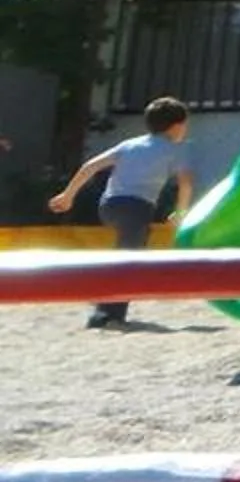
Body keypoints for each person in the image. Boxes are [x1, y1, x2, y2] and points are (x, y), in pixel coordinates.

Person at [48, 97, 194, 326]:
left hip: (109, 205)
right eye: (185, 125)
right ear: (176, 126)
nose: (185, 130)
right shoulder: (175, 150)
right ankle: (108, 313)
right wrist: (180, 212)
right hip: (137, 209)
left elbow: (91, 166)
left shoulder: (130, 144)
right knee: (129, 260)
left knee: (126, 252)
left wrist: (68, 195)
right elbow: (186, 182)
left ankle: (106, 307)